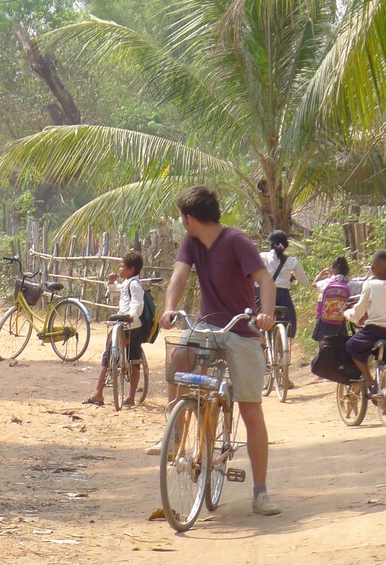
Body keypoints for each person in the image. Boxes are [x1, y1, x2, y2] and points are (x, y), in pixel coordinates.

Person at [154, 185, 280, 516]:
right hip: (208, 326)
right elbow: (179, 277)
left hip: (242, 330)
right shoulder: (191, 242)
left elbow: (265, 279)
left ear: (189, 218)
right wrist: (169, 308)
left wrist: (266, 313)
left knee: (251, 410)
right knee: (179, 355)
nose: (182, 222)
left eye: (182, 217)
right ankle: (177, 429)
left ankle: (261, 491)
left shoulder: (237, 241)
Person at [82, 252, 145, 407]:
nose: (119, 269)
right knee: (112, 354)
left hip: (131, 324)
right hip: (121, 323)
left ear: (131, 270)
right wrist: (111, 283)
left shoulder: (135, 284)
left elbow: (138, 302)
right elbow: (118, 289)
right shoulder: (127, 282)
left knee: (133, 360)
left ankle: (128, 396)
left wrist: (132, 315)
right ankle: (99, 393)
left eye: (122, 266)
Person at [260, 230, 308, 388]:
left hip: (264, 295)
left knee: (257, 325)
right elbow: (305, 282)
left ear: (270, 243)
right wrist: (289, 276)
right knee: (286, 327)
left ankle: (261, 355)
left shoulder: (263, 257)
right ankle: (282, 367)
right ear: (285, 245)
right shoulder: (292, 261)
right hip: (283, 297)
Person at [345, 249, 386, 396]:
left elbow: (359, 311)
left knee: (352, 346)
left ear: (373, 268)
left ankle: (368, 379)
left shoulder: (370, 285)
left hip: (374, 330)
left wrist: (347, 314)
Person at [311, 256, 364, 341]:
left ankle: (320, 352)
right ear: (347, 270)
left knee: (322, 343)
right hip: (340, 320)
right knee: (340, 342)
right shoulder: (350, 284)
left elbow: (314, 284)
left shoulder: (327, 282)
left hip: (325, 319)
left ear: (333, 269)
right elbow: (366, 285)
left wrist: (321, 274)